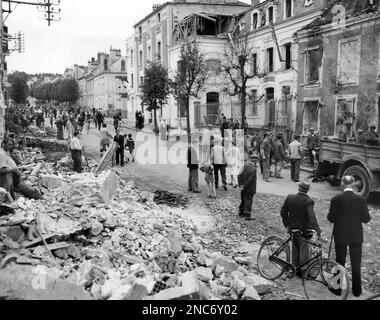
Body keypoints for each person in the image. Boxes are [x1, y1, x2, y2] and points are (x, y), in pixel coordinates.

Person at [327, 176, 371, 297]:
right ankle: (357, 290)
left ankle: (337, 288)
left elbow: (331, 218)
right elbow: (366, 219)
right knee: (356, 263)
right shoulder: (361, 199)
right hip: (356, 235)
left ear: (342, 183)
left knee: (339, 261)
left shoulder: (336, 199)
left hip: (340, 234)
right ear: (353, 184)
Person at [280, 180, 321, 275]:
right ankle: (304, 271)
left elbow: (283, 212)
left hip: (292, 229)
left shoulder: (290, 197)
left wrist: (287, 224)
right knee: (304, 251)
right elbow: (312, 217)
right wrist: (318, 231)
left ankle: (295, 268)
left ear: (299, 187)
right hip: (304, 231)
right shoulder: (308, 201)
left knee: (295, 248)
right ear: (307, 190)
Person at [238, 153, 258, 221]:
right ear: (254, 160)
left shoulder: (244, 165)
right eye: (256, 159)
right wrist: (244, 186)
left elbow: (239, 175)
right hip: (249, 188)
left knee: (243, 200)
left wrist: (240, 185)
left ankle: (241, 212)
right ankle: (248, 215)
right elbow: (251, 179)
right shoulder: (253, 168)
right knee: (248, 201)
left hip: (243, 187)